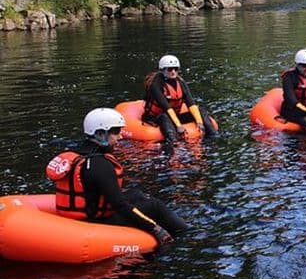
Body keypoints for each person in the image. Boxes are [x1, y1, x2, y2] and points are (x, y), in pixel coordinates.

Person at [46, 108, 188, 244]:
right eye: (116, 131)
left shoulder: (76, 153)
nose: (120, 136)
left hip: (82, 211)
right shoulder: (100, 163)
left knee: (136, 194)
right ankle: (186, 234)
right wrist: (155, 228)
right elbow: (119, 205)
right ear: (100, 134)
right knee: (155, 206)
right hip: (94, 221)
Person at [142, 54, 217, 143]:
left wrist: (199, 122)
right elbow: (166, 108)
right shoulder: (156, 84)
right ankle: (174, 143)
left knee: (201, 110)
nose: (173, 72)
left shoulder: (181, 83)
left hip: (174, 115)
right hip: (156, 117)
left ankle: (213, 136)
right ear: (162, 70)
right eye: (170, 69)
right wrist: (179, 126)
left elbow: (191, 104)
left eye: (176, 69)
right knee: (164, 117)